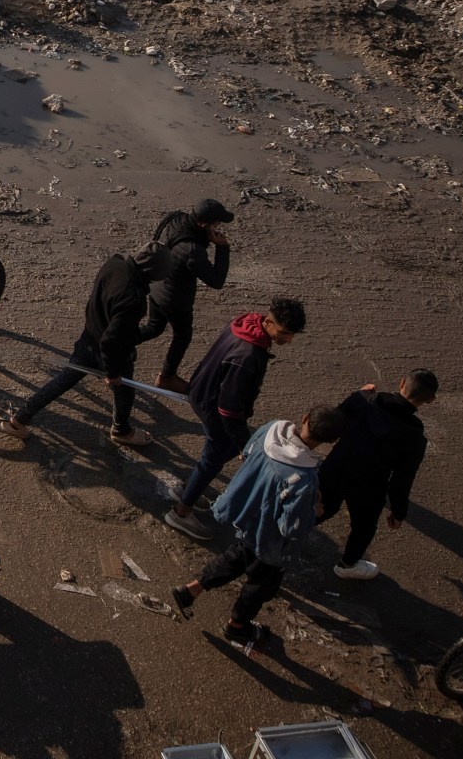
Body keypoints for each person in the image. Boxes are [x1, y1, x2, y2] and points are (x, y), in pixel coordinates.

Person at [171, 403, 347, 654]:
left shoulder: (272, 429)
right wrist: (314, 511)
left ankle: (192, 589)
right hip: (270, 539)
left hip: (248, 515)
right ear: (331, 441)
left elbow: (246, 453)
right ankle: (237, 625)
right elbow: (291, 528)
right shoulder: (303, 479)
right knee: (260, 585)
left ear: (305, 417)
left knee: (237, 556)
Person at [165, 297, 307, 536]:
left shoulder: (246, 324)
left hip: (202, 392)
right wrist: (245, 445)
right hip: (215, 410)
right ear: (269, 322)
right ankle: (181, 511)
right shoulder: (248, 356)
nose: (288, 339)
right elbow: (229, 408)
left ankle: (189, 489)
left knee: (216, 455)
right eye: (285, 333)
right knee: (214, 458)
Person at [3, 249, 153, 447]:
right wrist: (112, 372)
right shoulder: (134, 299)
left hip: (89, 335)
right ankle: (121, 430)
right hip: (108, 349)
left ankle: (20, 418)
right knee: (124, 390)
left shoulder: (114, 263)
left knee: (66, 378)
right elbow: (110, 342)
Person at [316, 370, 437, 580]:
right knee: (363, 527)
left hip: (336, 470)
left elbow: (333, 422)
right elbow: (402, 480)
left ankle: (280, 533)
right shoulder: (415, 439)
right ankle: (348, 564)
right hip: (369, 488)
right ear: (430, 400)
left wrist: (357, 396)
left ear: (401, 383)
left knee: (320, 509)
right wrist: (398, 512)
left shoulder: (364, 400)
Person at [133, 199, 233, 393]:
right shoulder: (192, 250)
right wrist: (222, 247)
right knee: (183, 336)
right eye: (217, 222)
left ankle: (116, 344)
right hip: (174, 299)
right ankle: (167, 377)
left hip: (156, 285)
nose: (219, 225)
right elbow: (216, 281)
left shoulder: (175, 217)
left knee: (154, 327)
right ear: (205, 224)